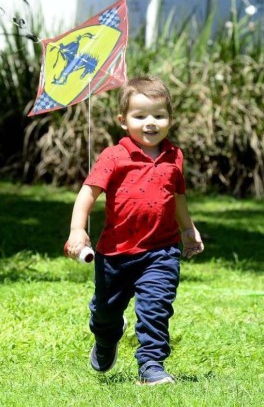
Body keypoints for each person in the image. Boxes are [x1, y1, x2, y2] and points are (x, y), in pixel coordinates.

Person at [66, 75, 204, 385]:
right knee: (105, 312)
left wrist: (188, 230)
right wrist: (77, 229)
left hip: (161, 251)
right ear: (123, 121)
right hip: (114, 254)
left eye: (158, 115)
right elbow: (88, 193)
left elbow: (177, 197)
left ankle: (151, 365)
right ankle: (105, 339)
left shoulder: (174, 157)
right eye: (140, 116)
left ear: (170, 118)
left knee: (155, 308)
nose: (150, 123)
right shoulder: (114, 156)